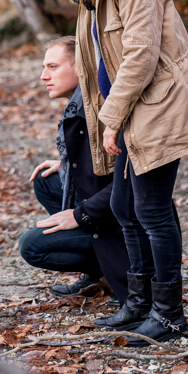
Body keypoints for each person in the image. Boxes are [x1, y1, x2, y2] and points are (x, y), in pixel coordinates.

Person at [65, 0, 188, 346]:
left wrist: (110, 118)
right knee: (122, 206)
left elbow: (139, 56)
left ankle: (170, 317)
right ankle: (139, 304)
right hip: (134, 110)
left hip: (157, 106)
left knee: (151, 209)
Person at [19, 36, 131, 305]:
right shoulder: (79, 103)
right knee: (46, 181)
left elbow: (129, 179)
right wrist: (66, 164)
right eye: (44, 67)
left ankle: (114, 266)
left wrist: (80, 215)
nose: (44, 76)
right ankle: (96, 272)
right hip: (106, 205)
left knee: (31, 246)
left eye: (53, 67)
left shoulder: (97, 110)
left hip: (123, 220)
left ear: (81, 68)